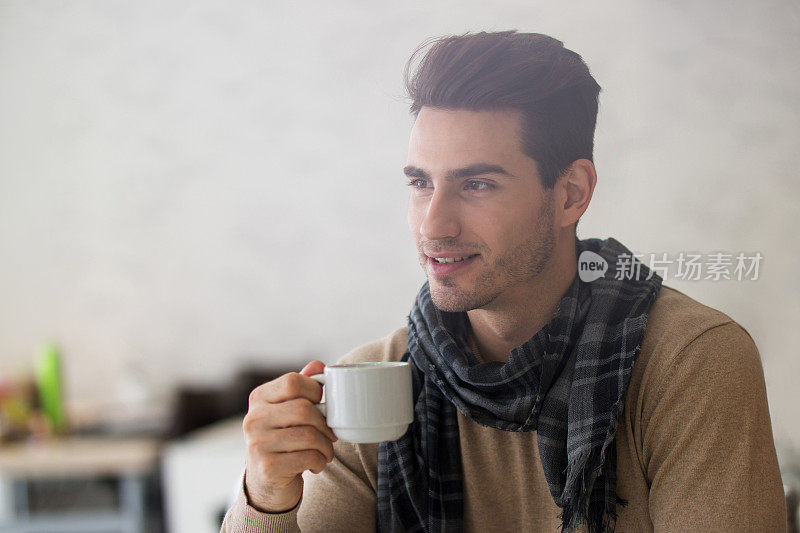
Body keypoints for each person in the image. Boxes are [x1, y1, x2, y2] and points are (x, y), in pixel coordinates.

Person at [221, 31, 786, 532]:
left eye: (478, 185)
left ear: (571, 194)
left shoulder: (690, 362)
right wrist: (266, 497)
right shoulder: (371, 384)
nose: (434, 225)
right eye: (420, 183)